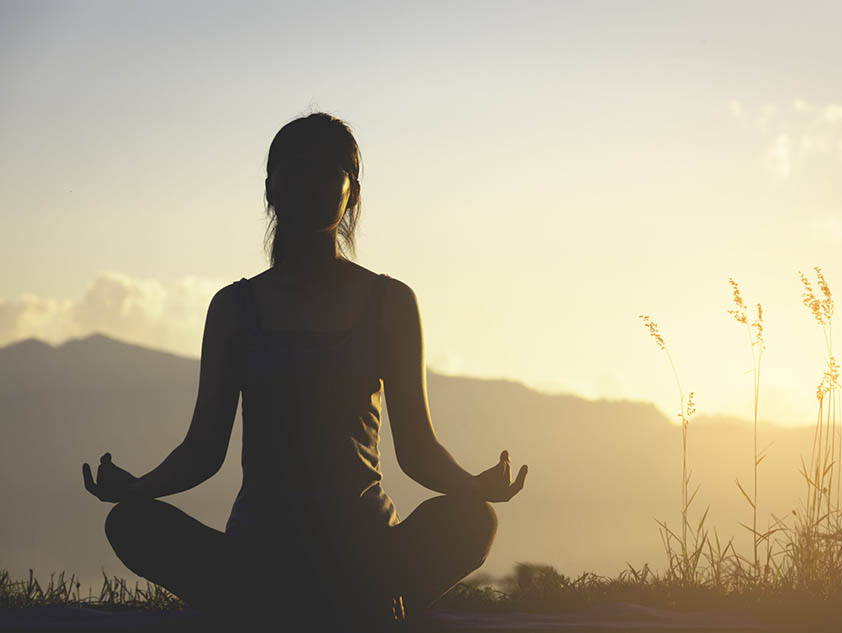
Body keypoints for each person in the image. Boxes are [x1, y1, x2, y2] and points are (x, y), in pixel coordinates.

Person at [81, 112, 528, 630]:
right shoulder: (235, 307)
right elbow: (203, 450)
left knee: (474, 519)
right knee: (131, 524)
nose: (310, 184)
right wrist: (137, 491)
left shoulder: (391, 303)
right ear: (271, 188)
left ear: (351, 192)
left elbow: (417, 450)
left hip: (368, 553)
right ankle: (337, 606)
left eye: (326, 171)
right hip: (258, 555)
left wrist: (474, 485)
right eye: (295, 171)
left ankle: (347, 602)